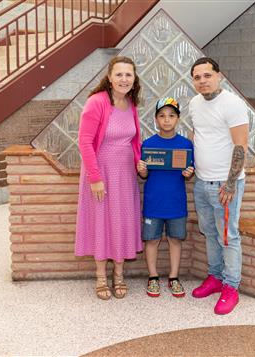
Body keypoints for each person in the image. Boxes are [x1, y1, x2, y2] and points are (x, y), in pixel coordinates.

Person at [75, 56, 143, 300]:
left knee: (122, 221)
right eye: (119, 74)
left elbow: (134, 141)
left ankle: (119, 275)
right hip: (101, 173)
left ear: (134, 79)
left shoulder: (131, 103)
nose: (124, 79)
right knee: (102, 222)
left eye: (128, 75)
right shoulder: (97, 102)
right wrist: (95, 177)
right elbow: (84, 142)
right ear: (110, 77)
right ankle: (101, 276)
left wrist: (139, 164)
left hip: (125, 176)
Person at [188, 57, 249, 315]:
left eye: (207, 75)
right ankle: (214, 278)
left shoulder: (233, 104)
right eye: (197, 77)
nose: (202, 81)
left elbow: (240, 146)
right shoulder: (194, 103)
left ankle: (231, 287)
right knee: (210, 233)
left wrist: (231, 183)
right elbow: (199, 136)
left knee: (228, 236)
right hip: (201, 183)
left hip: (225, 185)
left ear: (219, 76)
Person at [137, 97, 194, 298]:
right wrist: (142, 170)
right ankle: (153, 277)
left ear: (178, 119)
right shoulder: (148, 144)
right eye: (162, 116)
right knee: (151, 241)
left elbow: (189, 171)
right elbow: (144, 175)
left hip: (176, 204)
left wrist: (189, 173)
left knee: (175, 240)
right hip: (153, 204)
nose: (166, 120)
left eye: (171, 116)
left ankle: (173, 277)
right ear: (156, 119)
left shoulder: (186, 144)